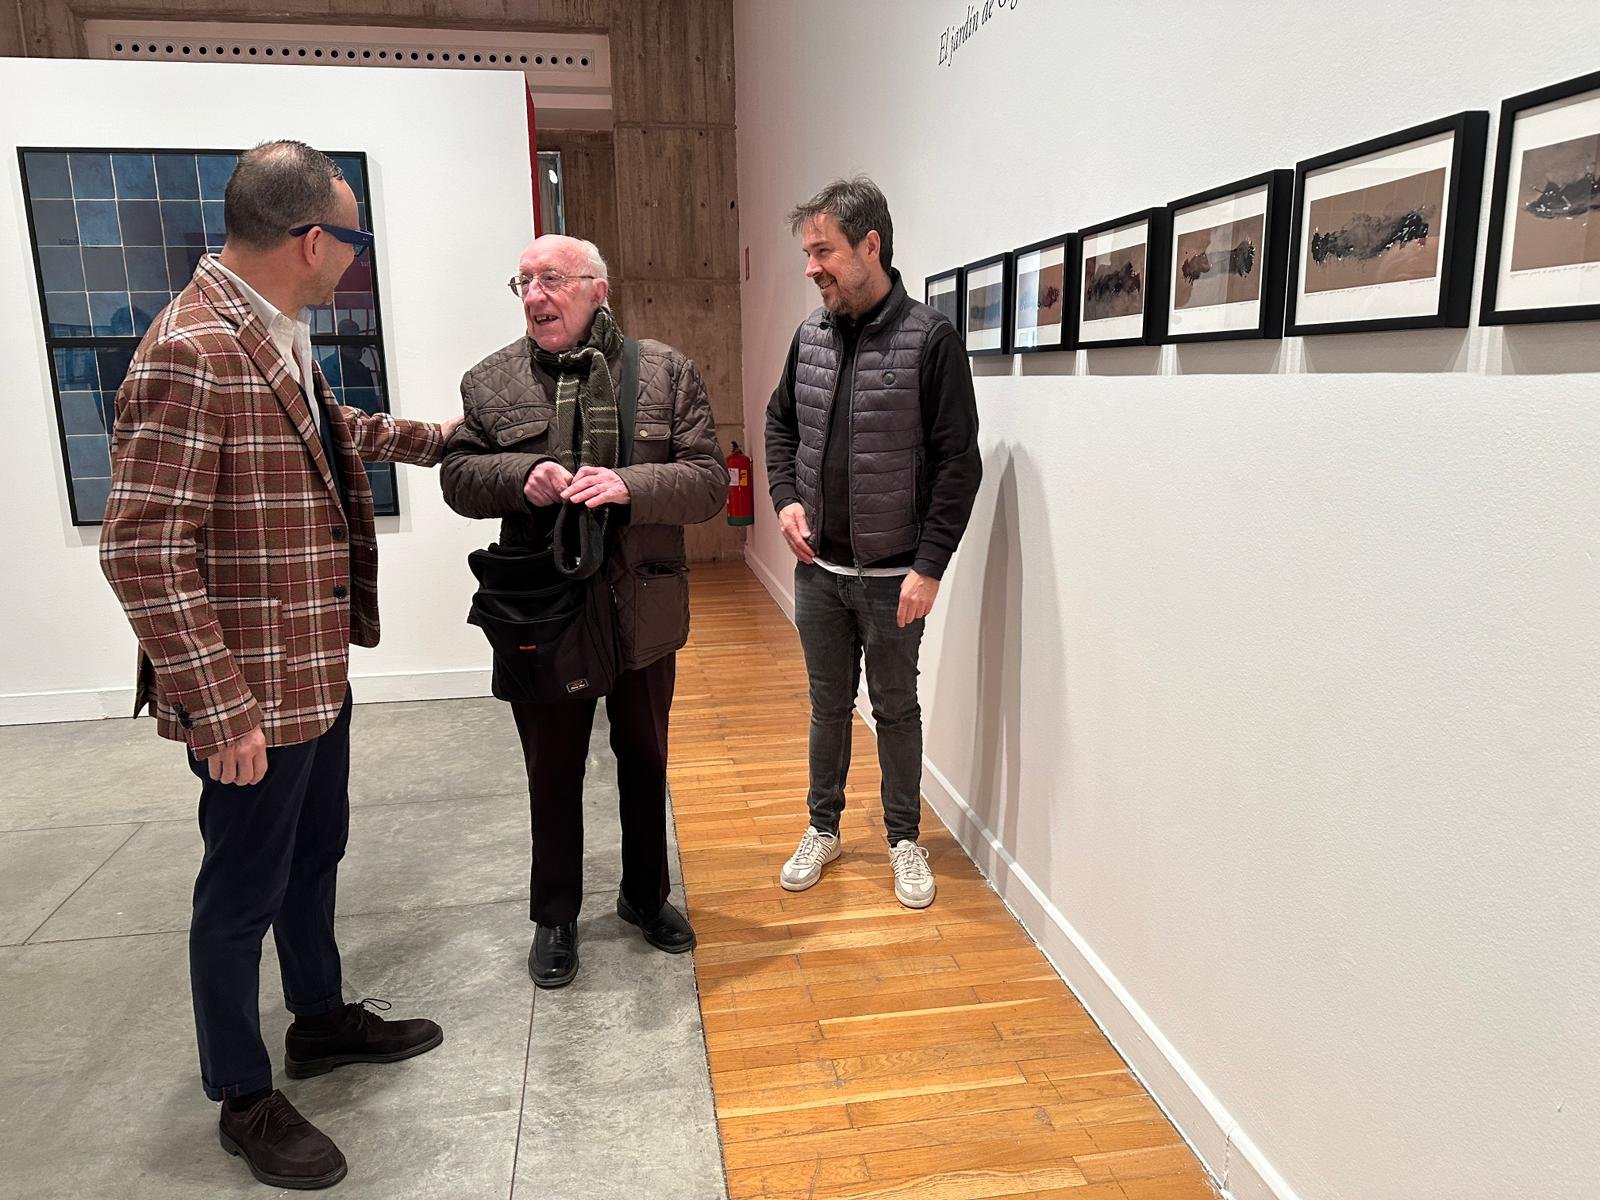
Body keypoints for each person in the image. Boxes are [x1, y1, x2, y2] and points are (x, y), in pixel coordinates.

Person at [98, 140, 461, 1191]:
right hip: (251, 696)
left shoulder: (272, 332)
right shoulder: (190, 348)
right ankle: (243, 1094)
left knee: (315, 854)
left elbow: (323, 432)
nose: (353, 257)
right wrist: (223, 712)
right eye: (350, 238)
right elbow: (142, 547)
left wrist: (438, 438)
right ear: (313, 240)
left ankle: (319, 1019)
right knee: (240, 889)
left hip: (312, 674)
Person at [441, 234, 725, 989]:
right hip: (543, 612)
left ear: (598, 288)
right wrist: (518, 473)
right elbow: (460, 477)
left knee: (645, 758)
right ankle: (555, 916)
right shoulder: (491, 381)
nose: (535, 295)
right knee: (553, 769)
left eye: (553, 279)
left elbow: (707, 483)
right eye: (524, 282)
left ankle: (645, 896)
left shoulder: (666, 374)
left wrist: (629, 484)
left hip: (643, 603)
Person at [764, 176, 982, 910]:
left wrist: (931, 566)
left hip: (895, 578)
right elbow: (779, 427)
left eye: (822, 251)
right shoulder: (812, 337)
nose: (811, 267)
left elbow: (959, 462)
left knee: (896, 709)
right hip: (818, 575)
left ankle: (903, 840)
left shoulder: (931, 338)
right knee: (828, 706)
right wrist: (786, 501)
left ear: (870, 245)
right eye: (807, 252)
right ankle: (822, 827)